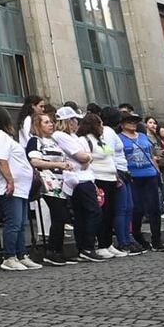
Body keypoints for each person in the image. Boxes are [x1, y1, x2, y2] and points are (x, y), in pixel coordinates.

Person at [0, 108, 40, 271]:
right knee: (14, 222)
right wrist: (10, 181)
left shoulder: (5, 137)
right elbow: (1, 160)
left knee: (21, 223)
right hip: (11, 187)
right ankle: (9, 256)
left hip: (20, 187)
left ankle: (21, 254)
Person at [51, 106, 104, 262]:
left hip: (85, 176)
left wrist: (87, 157)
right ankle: (87, 246)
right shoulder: (61, 136)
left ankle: (84, 247)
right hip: (78, 178)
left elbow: (88, 156)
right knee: (92, 212)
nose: (77, 123)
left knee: (84, 213)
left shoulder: (74, 136)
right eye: (74, 120)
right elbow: (81, 156)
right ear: (68, 121)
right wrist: (87, 158)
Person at [25, 114, 77, 265]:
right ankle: (52, 251)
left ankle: (57, 251)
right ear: (38, 125)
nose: (51, 124)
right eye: (46, 122)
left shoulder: (53, 141)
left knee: (61, 216)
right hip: (47, 182)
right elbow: (34, 160)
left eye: (51, 122)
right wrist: (58, 165)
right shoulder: (35, 141)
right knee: (59, 215)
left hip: (61, 182)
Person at [117, 112, 164, 252]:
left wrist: (157, 171)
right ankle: (138, 236)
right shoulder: (119, 139)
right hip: (133, 176)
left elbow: (150, 155)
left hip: (149, 174)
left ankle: (157, 240)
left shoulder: (143, 136)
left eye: (134, 121)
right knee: (137, 209)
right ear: (121, 124)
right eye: (129, 121)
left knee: (154, 208)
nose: (132, 123)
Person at [76, 113, 120, 260]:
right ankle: (101, 244)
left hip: (110, 178)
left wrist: (116, 176)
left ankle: (108, 243)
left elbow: (109, 157)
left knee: (111, 212)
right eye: (100, 124)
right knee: (102, 213)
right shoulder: (85, 140)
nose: (102, 127)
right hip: (99, 179)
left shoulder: (101, 140)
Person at [100, 107, 136, 256]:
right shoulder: (108, 132)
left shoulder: (110, 132)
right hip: (117, 171)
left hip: (122, 169)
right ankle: (123, 241)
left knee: (129, 207)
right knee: (122, 208)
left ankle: (128, 238)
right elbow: (109, 152)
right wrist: (116, 174)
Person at [145, 116, 164, 218]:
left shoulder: (157, 136)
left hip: (162, 163)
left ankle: (160, 208)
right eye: (150, 122)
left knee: (163, 187)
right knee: (157, 189)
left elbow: (160, 147)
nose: (153, 125)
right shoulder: (144, 136)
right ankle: (160, 211)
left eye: (154, 123)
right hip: (152, 163)